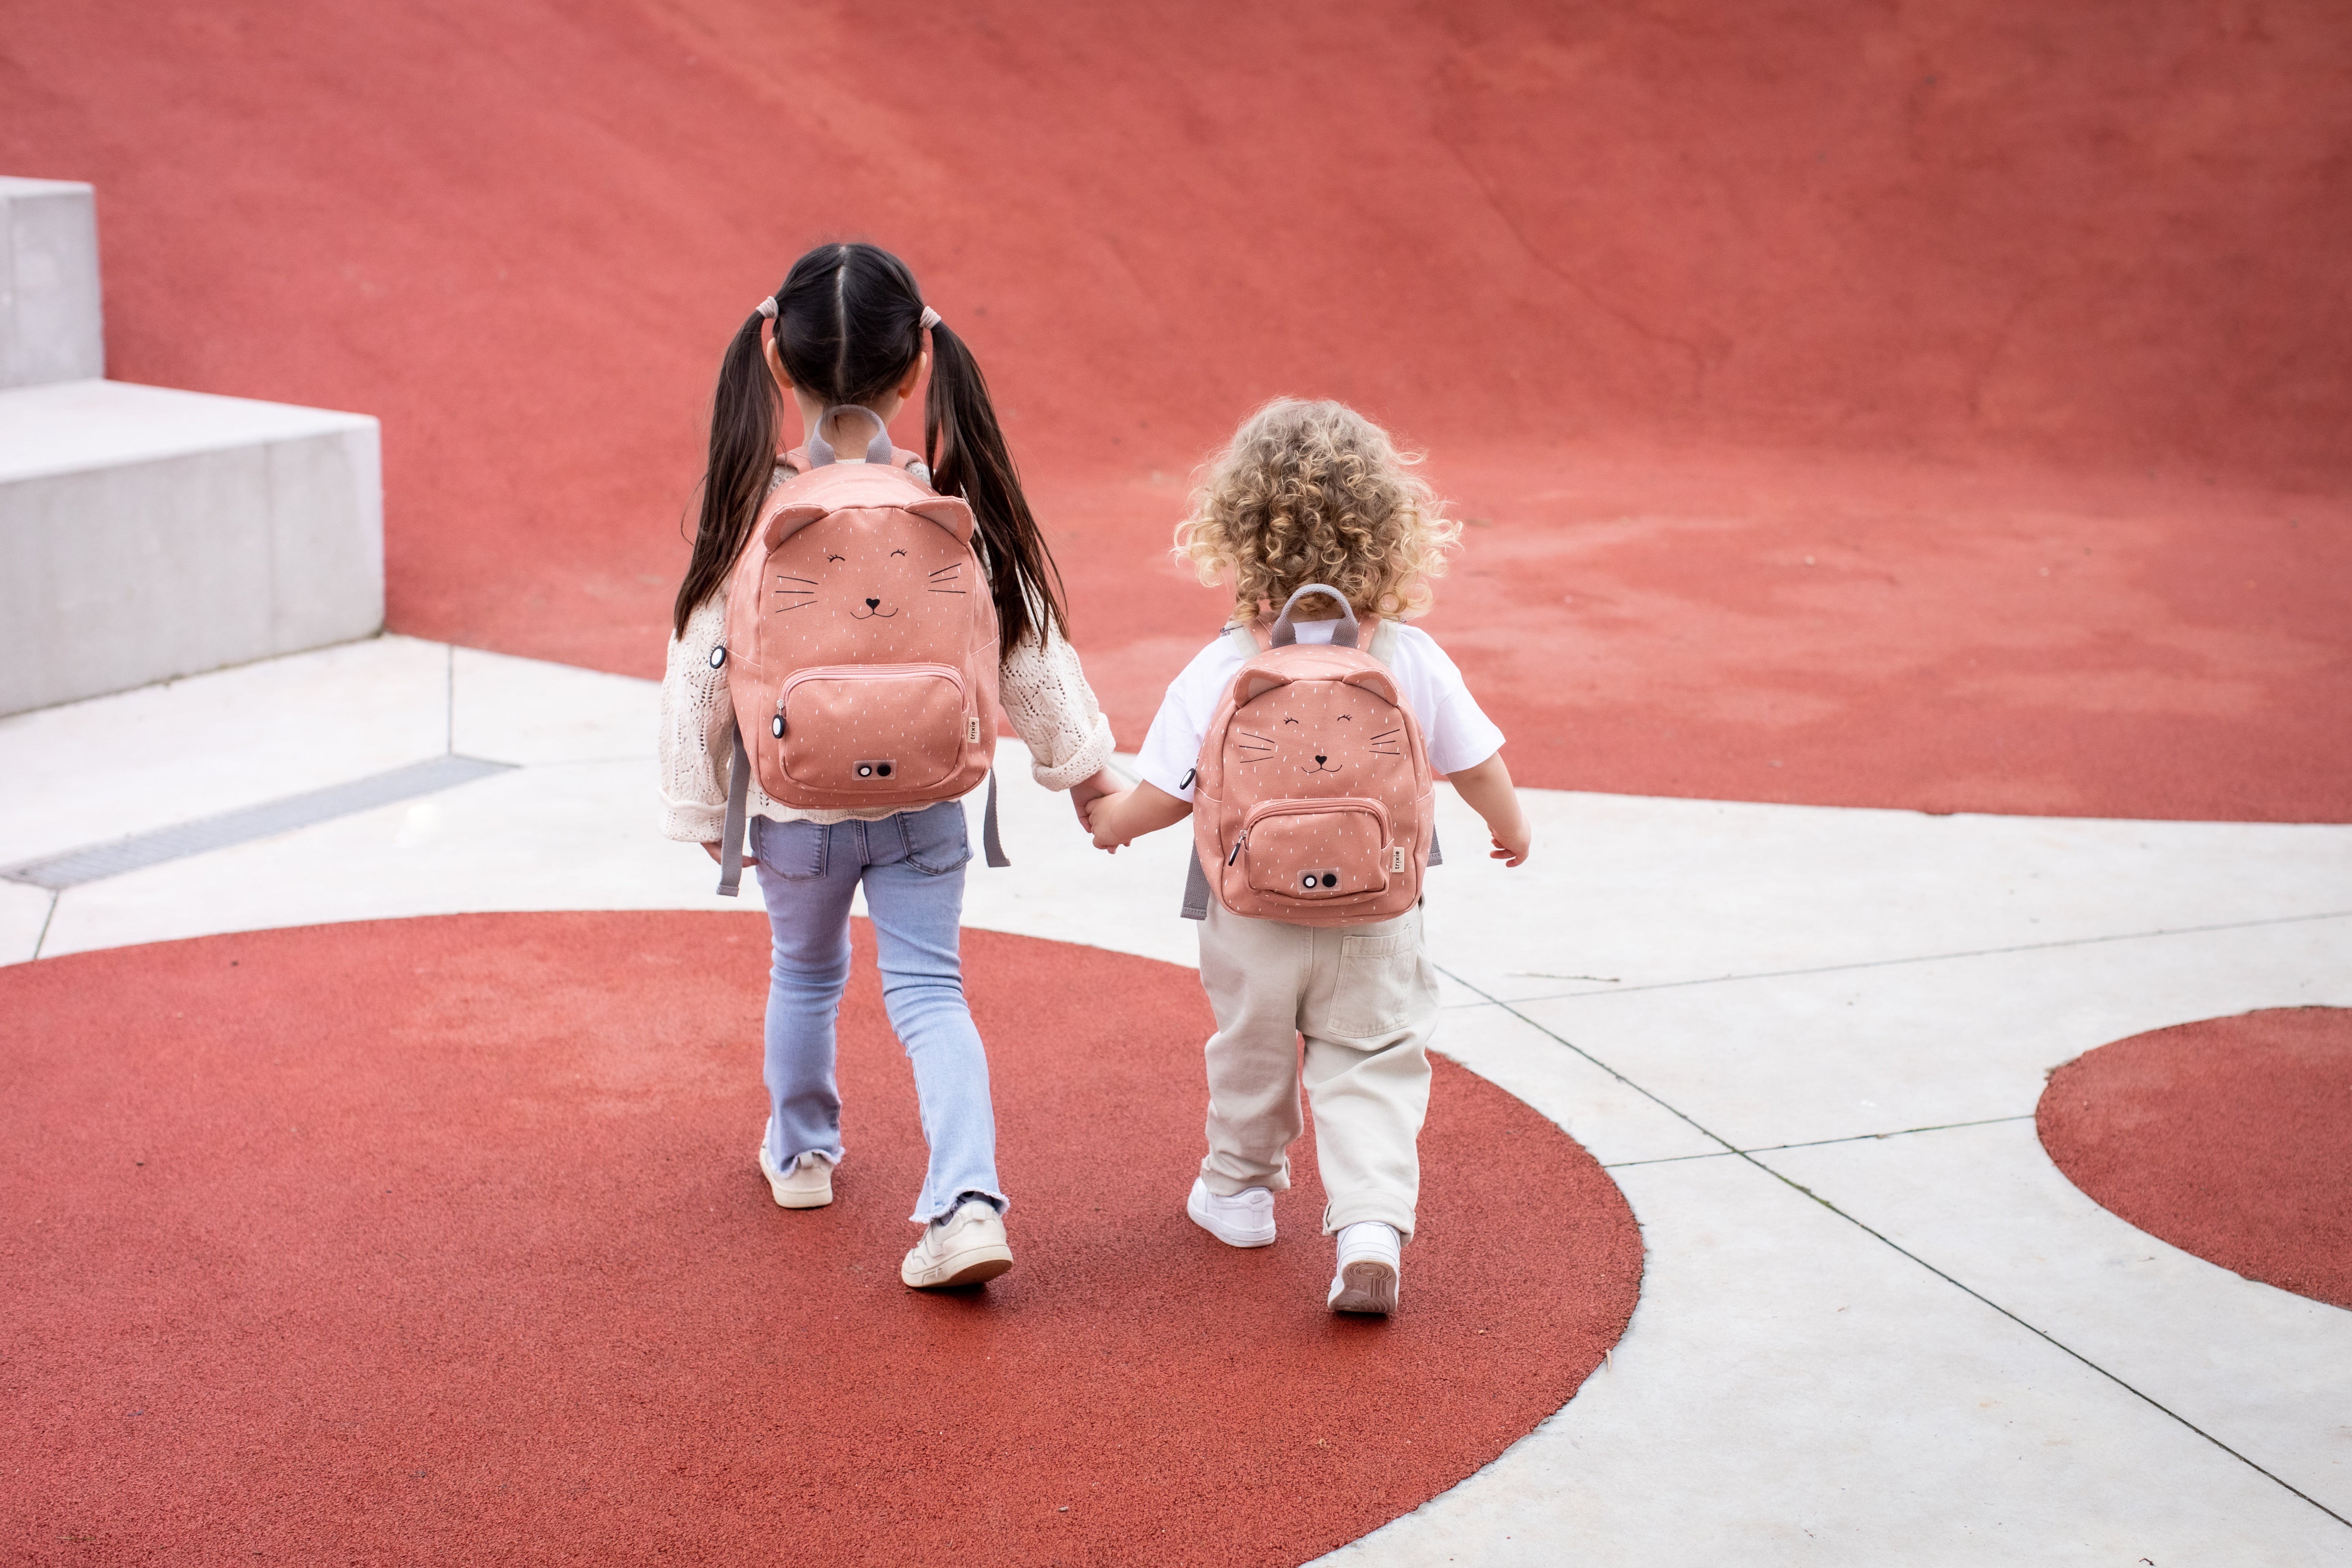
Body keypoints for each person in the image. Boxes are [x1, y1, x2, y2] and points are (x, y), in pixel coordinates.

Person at [659, 243, 1118, 1288]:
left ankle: (804, 1152)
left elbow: (702, 660)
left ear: (776, 361)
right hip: (925, 803)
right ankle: (965, 1200)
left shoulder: (754, 508)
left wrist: (698, 806)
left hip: (792, 807)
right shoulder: (943, 505)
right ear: (920, 366)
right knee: (930, 992)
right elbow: (1026, 646)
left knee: (806, 976)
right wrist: (1085, 770)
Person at [1081, 399, 1530, 1314]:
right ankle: (1368, 1226)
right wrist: (1509, 826)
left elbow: (1167, 794)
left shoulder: (1222, 665)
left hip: (1249, 915)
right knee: (1371, 1057)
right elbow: (1477, 762)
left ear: (1236, 531)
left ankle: (1239, 1193)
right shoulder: (1409, 655)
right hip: (1379, 908)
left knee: (1250, 1047)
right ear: (1390, 532)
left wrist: (1110, 822)